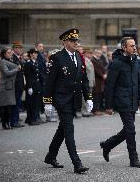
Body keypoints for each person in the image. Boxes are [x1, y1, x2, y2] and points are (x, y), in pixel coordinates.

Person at [43, 29, 93, 174]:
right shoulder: (57, 57)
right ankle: (77, 164)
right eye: (72, 41)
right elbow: (50, 82)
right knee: (69, 130)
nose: (76, 43)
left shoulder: (78, 56)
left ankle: (50, 156)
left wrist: (88, 98)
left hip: (74, 100)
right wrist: (47, 101)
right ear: (65, 42)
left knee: (62, 130)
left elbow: (83, 80)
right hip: (62, 100)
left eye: (77, 41)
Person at [100, 37, 140, 168]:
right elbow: (109, 86)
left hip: (133, 100)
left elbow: (139, 83)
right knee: (131, 130)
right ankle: (134, 159)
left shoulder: (136, 61)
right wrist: (108, 105)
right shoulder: (116, 63)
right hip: (122, 101)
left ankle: (107, 144)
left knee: (127, 130)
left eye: (135, 45)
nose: (134, 48)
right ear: (124, 48)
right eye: (131, 46)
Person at [0, 47, 21, 129]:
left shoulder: (9, 60)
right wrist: (17, 69)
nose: (10, 53)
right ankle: (4, 123)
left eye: (10, 52)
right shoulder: (3, 61)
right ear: (4, 54)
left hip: (11, 86)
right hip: (6, 86)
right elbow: (7, 72)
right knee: (5, 106)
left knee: (10, 106)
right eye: (8, 52)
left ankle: (8, 122)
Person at [24, 49, 43, 126]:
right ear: (31, 54)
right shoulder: (28, 63)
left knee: (35, 103)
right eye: (34, 53)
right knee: (30, 104)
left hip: (36, 85)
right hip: (31, 86)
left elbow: (37, 75)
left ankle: (34, 118)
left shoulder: (36, 63)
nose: (36, 55)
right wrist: (29, 87)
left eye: (36, 53)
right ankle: (30, 119)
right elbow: (28, 76)